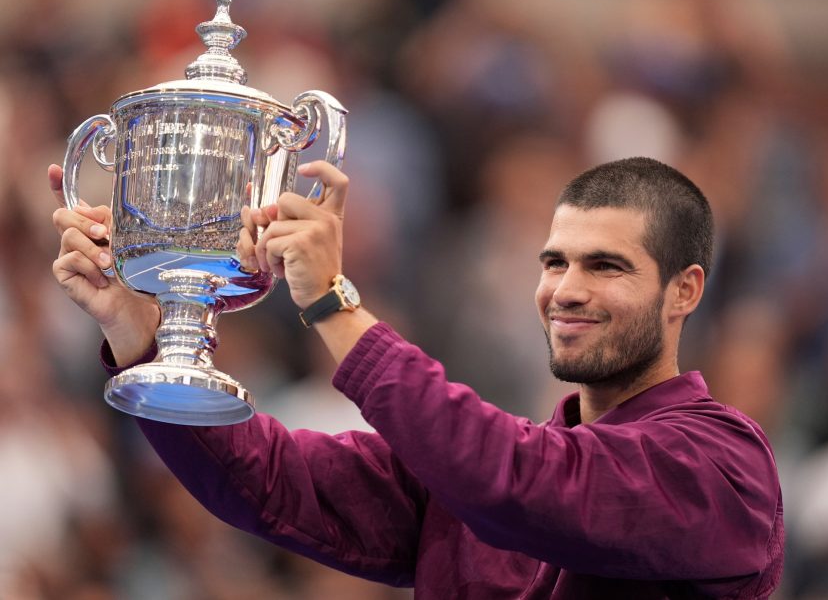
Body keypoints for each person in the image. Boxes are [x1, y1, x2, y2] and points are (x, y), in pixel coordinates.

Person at [50, 156, 784, 598]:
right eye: (555, 262)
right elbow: (266, 478)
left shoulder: (723, 466)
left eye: (606, 266)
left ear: (685, 290)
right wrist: (143, 337)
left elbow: (522, 482)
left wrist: (333, 303)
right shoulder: (469, 478)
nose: (566, 289)